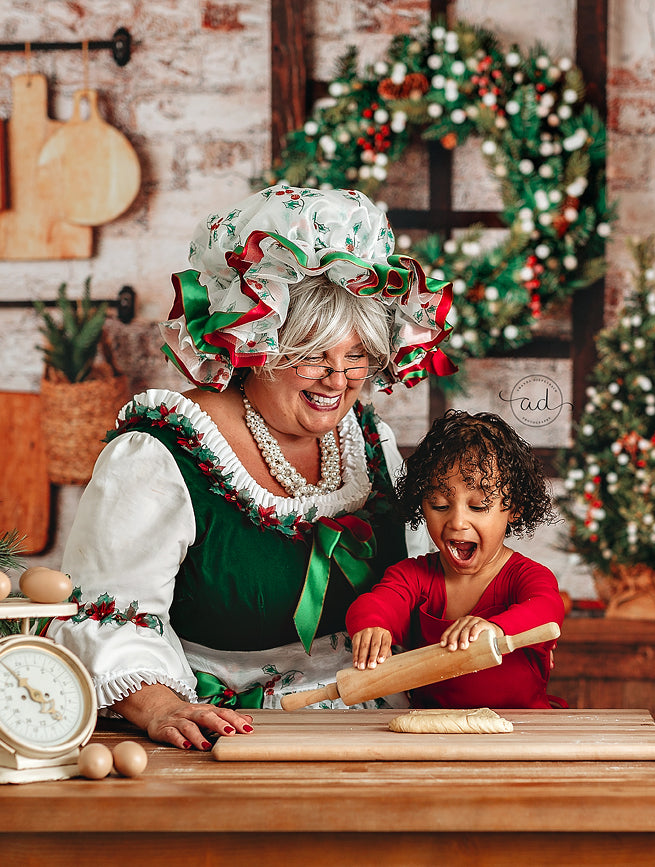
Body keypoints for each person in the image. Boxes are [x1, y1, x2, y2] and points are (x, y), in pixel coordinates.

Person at [47, 184, 456, 751]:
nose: (338, 380)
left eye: (356, 355)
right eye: (313, 354)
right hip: (228, 735)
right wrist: (162, 706)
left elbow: (418, 585)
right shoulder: (165, 453)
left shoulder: (369, 442)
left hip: (373, 727)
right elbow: (108, 612)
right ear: (256, 345)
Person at [345, 410, 566, 709]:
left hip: (523, 731)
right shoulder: (414, 576)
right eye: (439, 505)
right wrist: (373, 625)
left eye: (477, 507)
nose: (457, 521)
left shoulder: (526, 576)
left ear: (513, 508)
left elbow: (546, 608)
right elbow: (378, 602)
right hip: (432, 733)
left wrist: (497, 629)